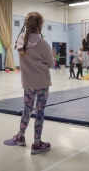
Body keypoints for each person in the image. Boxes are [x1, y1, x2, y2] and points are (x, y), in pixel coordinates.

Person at [12, 12, 54, 154]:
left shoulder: (20, 40)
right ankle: (37, 143)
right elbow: (51, 64)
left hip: (28, 82)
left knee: (27, 110)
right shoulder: (42, 43)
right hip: (42, 82)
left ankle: (20, 136)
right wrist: (41, 62)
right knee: (39, 112)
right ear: (40, 25)